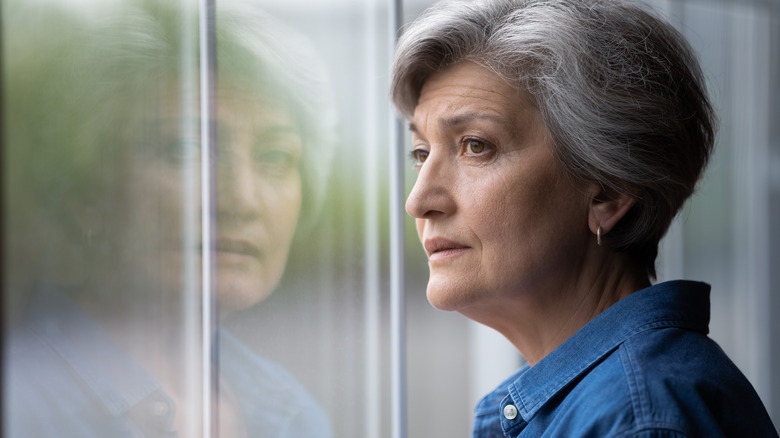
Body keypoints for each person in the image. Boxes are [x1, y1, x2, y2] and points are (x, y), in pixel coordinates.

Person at [391, 0, 778, 436]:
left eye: (476, 145)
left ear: (609, 192)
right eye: (421, 154)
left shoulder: (637, 421)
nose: (418, 200)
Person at [4, 1, 334, 436]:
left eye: (275, 156)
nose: (242, 201)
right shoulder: (20, 402)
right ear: (84, 193)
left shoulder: (292, 411)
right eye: (184, 149)